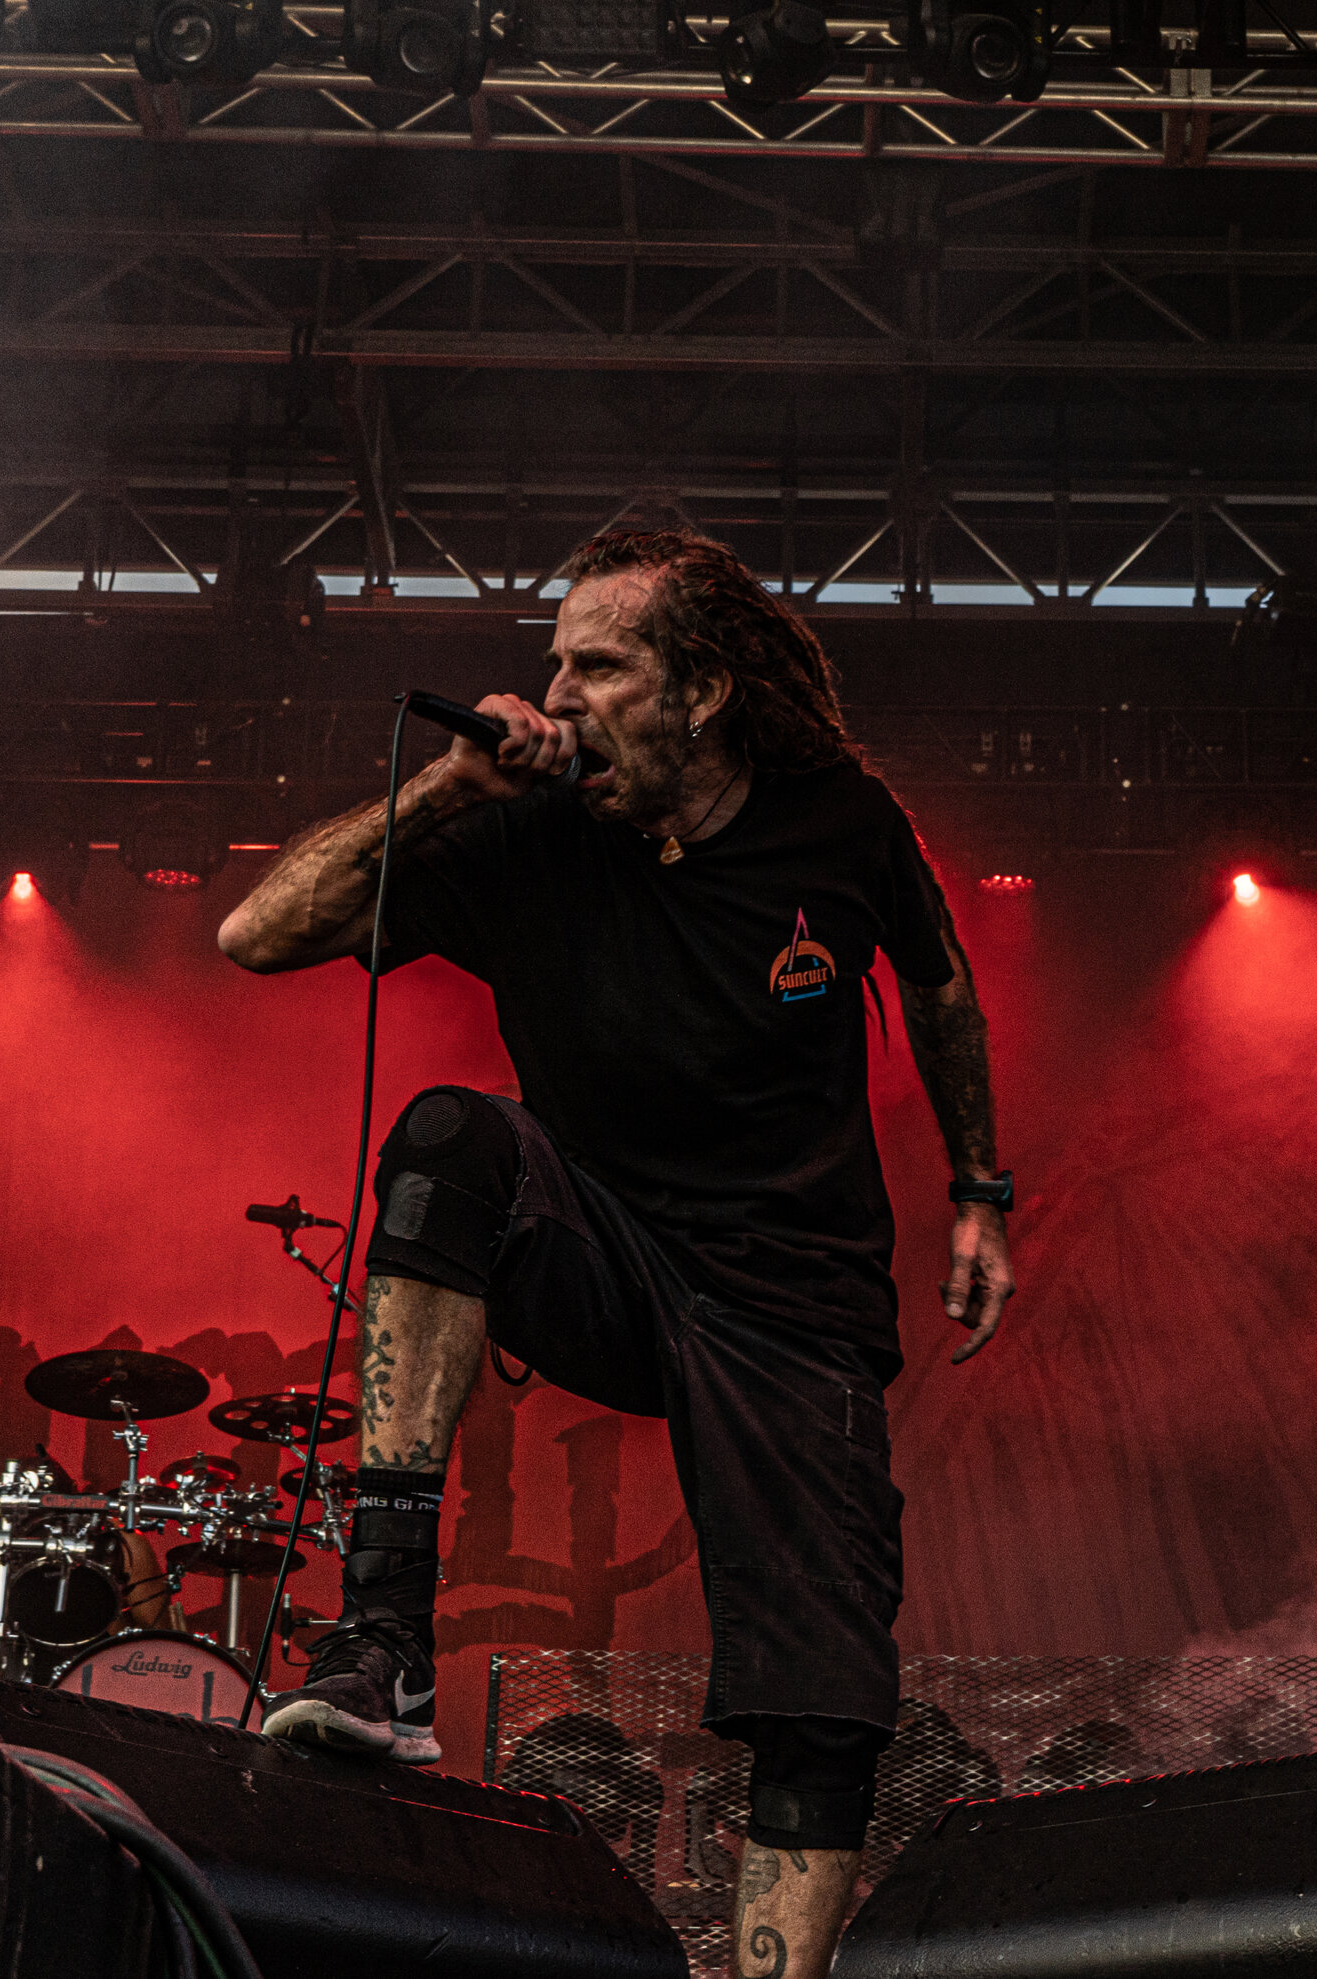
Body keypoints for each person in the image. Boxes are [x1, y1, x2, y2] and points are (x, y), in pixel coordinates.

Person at [216, 529, 1014, 1979]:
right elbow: (255, 934)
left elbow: (944, 989)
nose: (555, 690)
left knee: (819, 1702)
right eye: (552, 660)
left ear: (699, 689)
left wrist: (982, 1191)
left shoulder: (839, 822)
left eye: (596, 663)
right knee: (451, 1138)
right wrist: (453, 785)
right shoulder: (525, 825)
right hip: (608, 1257)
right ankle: (385, 1642)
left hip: (792, 1306)